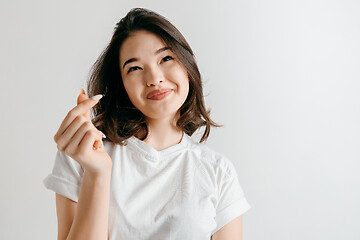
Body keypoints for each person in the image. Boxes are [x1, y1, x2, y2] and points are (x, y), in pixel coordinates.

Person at [43, 7, 251, 240]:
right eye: (134, 68)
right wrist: (98, 174)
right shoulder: (85, 153)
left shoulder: (218, 172)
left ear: (187, 65)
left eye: (166, 58)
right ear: (121, 84)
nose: (154, 78)